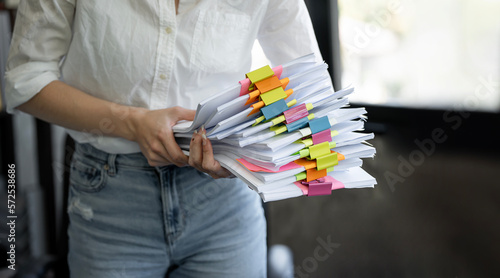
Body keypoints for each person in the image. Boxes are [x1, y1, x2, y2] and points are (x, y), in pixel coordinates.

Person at [5, 0, 323, 277]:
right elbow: (24, 81)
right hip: (111, 198)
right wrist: (132, 123)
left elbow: (307, 88)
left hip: (224, 203)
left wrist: (248, 147)